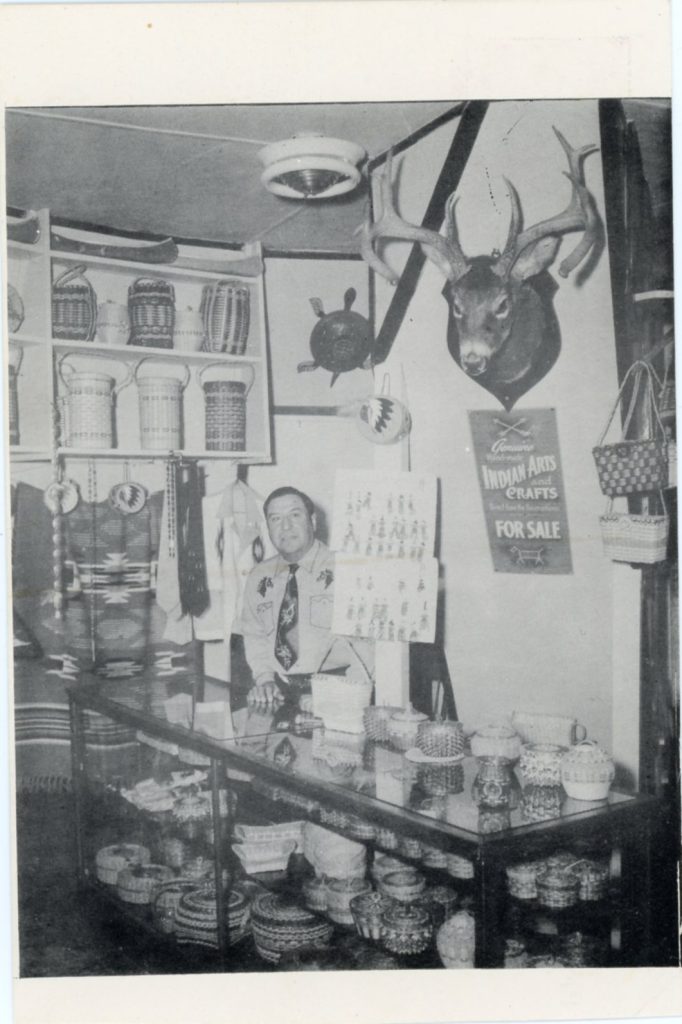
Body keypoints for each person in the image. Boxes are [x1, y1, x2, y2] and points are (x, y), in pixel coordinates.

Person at [240, 486, 369, 705]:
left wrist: (339, 694)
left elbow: (371, 645)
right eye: (275, 519)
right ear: (268, 529)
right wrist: (264, 680)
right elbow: (254, 635)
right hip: (280, 695)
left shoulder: (348, 569)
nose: (286, 526)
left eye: (295, 515)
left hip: (340, 692)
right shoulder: (258, 577)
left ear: (313, 521)